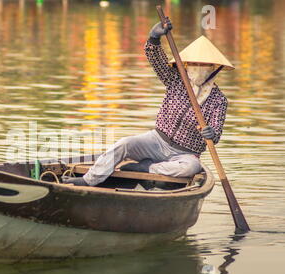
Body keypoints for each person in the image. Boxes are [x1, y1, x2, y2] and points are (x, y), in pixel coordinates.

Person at [62, 17, 234, 186]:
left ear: (214, 68)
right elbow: (157, 61)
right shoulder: (177, 80)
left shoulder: (218, 100)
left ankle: (147, 168)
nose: (198, 68)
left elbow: (216, 134)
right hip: (157, 141)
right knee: (124, 144)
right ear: (186, 64)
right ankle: (89, 179)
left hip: (184, 154)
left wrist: (210, 134)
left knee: (191, 168)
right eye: (194, 63)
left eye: (204, 65)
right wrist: (154, 38)